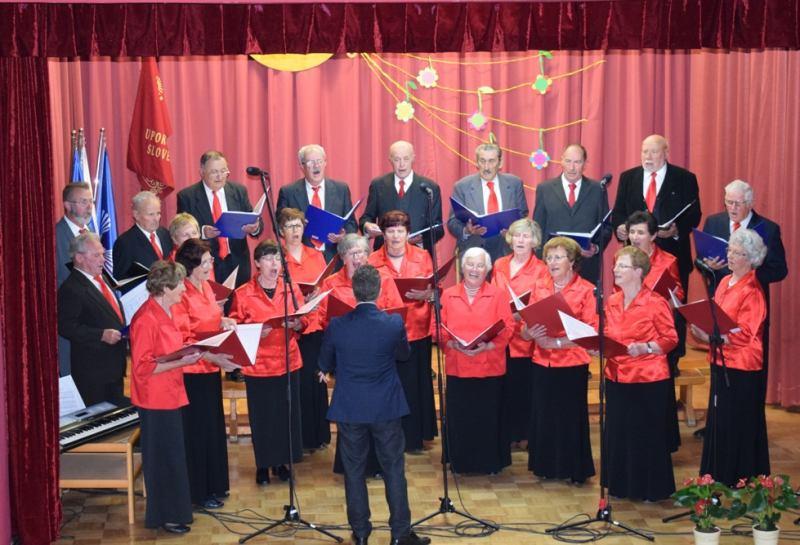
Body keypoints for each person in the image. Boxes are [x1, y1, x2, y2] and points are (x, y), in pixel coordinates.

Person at [318, 264, 431, 545]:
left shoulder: (338, 325)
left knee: (354, 471)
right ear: (379, 291)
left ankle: (360, 533)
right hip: (385, 406)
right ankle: (400, 534)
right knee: (393, 468)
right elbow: (404, 355)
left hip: (350, 407)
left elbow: (324, 362)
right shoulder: (392, 323)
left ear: (354, 292)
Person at [130, 260, 237, 534]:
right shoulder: (145, 319)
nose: (183, 289)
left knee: (174, 455)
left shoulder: (169, 310)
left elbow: (184, 345)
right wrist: (181, 362)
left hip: (172, 392)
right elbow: (143, 368)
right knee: (163, 458)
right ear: (166, 288)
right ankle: (165, 516)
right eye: (179, 285)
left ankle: (177, 511)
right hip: (155, 399)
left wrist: (212, 357)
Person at [690, 228, 769, 485]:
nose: (731, 256)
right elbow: (716, 317)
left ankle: (738, 476)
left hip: (742, 365)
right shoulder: (724, 281)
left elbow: (745, 334)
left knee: (737, 422)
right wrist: (703, 326)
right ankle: (717, 473)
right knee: (720, 420)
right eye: (730, 250)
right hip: (721, 360)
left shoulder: (753, 290)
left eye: (738, 252)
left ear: (751, 258)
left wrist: (711, 336)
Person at [603, 246, 678, 501]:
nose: (615, 269)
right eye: (616, 265)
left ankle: (650, 488)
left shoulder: (656, 302)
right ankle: (621, 485)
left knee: (646, 433)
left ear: (638, 272)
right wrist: (598, 345)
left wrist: (645, 347)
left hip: (648, 377)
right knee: (620, 432)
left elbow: (670, 339)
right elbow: (610, 333)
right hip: (616, 375)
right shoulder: (612, 301)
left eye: (622, 266)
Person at [229, 240, 306, 485]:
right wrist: (254, 331)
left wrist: (298, 323)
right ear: (257, 263)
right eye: (269, 259)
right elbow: (234, 327)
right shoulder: (243, 293)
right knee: (263, 417)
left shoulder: (291, 288)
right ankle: (262, 464)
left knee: (285, 416)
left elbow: (305, 318)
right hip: (259, 365)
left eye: (278, 259)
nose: (275, 264)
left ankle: (282, 463)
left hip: (287, 360)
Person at [520, 237, 596, 484]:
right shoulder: (540, 286)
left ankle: (573, 468)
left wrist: (558, 343)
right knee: (544, 415)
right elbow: (524, 329)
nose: (552, 262)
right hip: (542, 360)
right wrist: (529, 332)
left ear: (572, 261)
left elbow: (590, 330)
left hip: (572, 361)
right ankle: (546, 466)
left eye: (558, 257)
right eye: (549, 258)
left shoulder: (586, 289)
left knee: (570, 417)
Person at [171, 239, 236, 509]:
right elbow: (183, 339)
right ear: (192, 265)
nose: (211, 265)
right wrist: (212, 356)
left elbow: (210, 319)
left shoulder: (207, 286)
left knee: (212, 428)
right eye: (207, 261)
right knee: (198, 431)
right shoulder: (181, 293)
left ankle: (215, 484)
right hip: (192, 371)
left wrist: (224, 321)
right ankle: (199, 492)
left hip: (210, 368)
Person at [439, 247, 514, 474]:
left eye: (480, 265)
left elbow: (508, 328)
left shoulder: (499, 295)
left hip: (489, 366)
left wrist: (488, 345)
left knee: (488, 417)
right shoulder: (448, 294)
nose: (474, 269)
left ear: (487, 270)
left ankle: (490, 463)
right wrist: (451, 344)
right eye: (470, 264)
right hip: (458, 365)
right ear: (462, 268)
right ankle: (460, 462)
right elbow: (438, 328)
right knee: (461, 417)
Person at [368, 210, 437, 452]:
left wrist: (428, 294)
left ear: (408, 233)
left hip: (417, 328)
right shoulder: (372, 260)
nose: (396, 236)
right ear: (383, 234)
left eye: (400, 231)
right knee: (389, 385)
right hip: (385, 332)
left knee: (416, 385)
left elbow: (434, 288)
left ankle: (415, 437)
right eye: (390, 231)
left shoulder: (423, 256)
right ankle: (388, 438)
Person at [625, 210, 684, 452]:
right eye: (632, 232)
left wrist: (665, 299)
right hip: (630, 331)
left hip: (657, 334)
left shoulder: (667, 261)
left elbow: (678, 295)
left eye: (640, 232)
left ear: (653, 236)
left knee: (660, 391)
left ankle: (663, 439)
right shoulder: (624, 258)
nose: (635, 237)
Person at [612, 134, 701, 291]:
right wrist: (620, 227)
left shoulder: (684, 178)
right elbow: (618, 212)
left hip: (673, 254)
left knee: (671, 303)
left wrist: (676, 231)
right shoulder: (628, 177)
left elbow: (694, 214)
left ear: (666, 153)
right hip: (635, 258)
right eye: (644, 151)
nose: (648, 156)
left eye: (654, 152)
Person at [490, 218, 548, 446]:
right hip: (502, 334)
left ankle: (525, 434)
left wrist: (520, 315)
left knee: (524, 387)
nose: (520, 240)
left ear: (534, 241)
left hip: (526, 335)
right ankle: (509, 434)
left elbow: (542, 302)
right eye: (517, 235)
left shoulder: (542, 269)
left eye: (526, 236)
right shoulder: (499, 264)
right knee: (505, 388)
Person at [278, 207, 331, 450]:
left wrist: (317, 297)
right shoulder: (277, 257)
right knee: (295, 384)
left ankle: (317, 436)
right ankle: (297, 438)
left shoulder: (315, 255)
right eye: (289, 226)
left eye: (298, 225)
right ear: (281, 231)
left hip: (314, 324)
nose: (295, 230)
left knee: (315, 381)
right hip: (290, 326)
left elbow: (324, 287)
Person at [57, 233, 127, 406]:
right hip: (93, 372)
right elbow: (66, 327)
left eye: (102, 254)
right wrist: (100, 335)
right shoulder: (71, 288)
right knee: (100, 416)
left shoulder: (102, 279)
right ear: (79, 258)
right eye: (96, 255)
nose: (103, 259)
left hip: (115, 365)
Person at [176, 150, 263, 287]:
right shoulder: (187, 197)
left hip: (238, 262)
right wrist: (203, 232)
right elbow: (182, 232)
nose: (220, 176)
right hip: (205, 264)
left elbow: (253, 218)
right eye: (214, 172)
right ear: (202, 172)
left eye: (223, 171)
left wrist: (255, 228)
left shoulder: (238, 191)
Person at [532, 144, 611, 284]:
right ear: (561, 161)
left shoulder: (597, 189)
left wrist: (596, 248)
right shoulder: (545, 189)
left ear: (585, 164)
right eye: (568, 161)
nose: (572, 167)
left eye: (577, 162)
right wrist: (543, 261)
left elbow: (606, 227)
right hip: (552, 267)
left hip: (587, 266)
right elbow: (538, 228)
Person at [447, 143, 529, 263]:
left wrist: (512, 232)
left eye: (491, 161)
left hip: (507, 248)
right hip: (474, 249)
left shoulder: (514, 183)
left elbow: (522, 214)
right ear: (476, 163)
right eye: (482, 161)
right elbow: (452, 222)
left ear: (500, 163)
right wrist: (467, 230)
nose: (486, 167)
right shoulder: (462, 186)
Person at [360, 140, 444, 256]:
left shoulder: (429, 188)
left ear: (413, 158)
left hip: (419, 256)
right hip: (384, 255)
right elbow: (366, 218)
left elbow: (438, 228)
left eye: (406, 159)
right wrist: (367, 226)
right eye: (397, 159)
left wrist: (422, 238)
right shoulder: (378, 185)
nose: (402, 164)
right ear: (390, 160)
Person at [277, 144, 358, 263]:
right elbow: (278, 226)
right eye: (310, 162)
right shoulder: (288, 192)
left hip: (335, 258)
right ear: (302, 166)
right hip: (302, 259)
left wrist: (343, 236)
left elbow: (351, 224)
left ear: (325, 163)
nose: (316, 165)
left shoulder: (341, 189)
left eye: (319, 161)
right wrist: (298, 226)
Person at [56, 182, 94, 377]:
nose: (89, 207)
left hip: (93, 321)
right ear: (68, 205)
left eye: (91, 202)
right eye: (83, 202)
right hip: (72, 320)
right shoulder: (56, 236)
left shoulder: (91, 234)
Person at [113, 191, 174, 288]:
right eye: (151, 214)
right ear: (136, 215)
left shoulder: (165, 234)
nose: (156, 219)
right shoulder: (125, 243)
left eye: (158, 213)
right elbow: (122, 281)